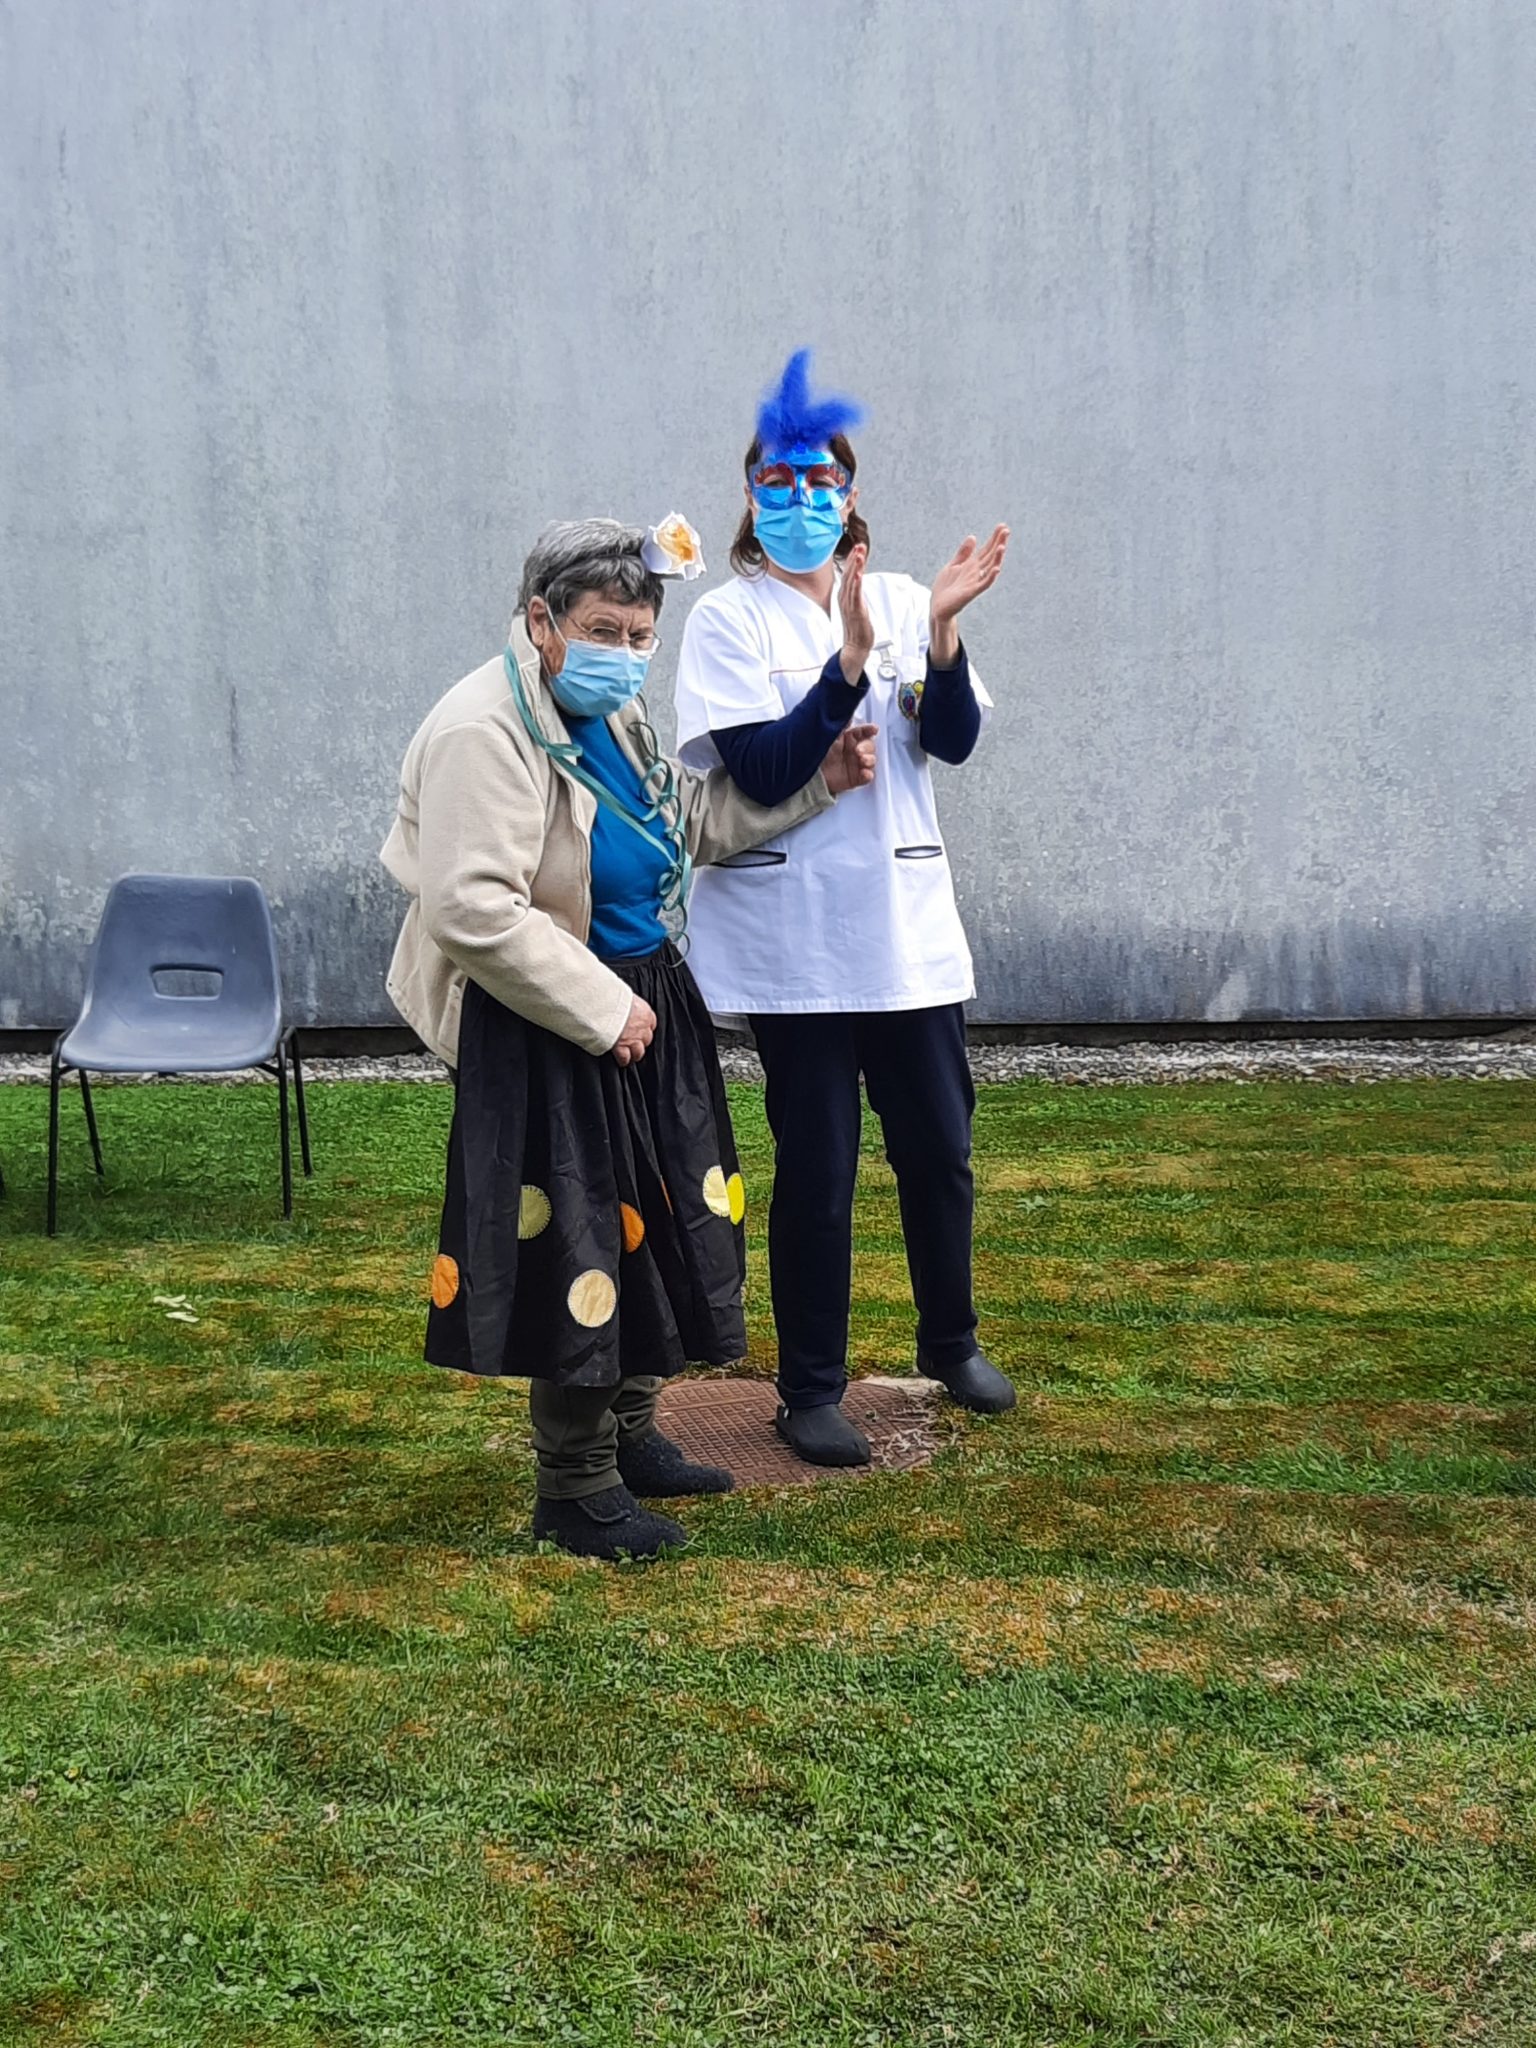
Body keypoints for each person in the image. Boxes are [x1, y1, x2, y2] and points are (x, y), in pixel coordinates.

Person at [380, 516, 876, 1556]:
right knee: (586, 1240)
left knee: (671, 1224)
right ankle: (574, 1486)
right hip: (552, 1019)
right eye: (604, 630)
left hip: (643, 998)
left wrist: (817, 780)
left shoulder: (613, 714)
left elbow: (680, 822)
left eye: (642, 634)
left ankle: (632, 1433)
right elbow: (472, 906)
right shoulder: (483, 729)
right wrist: (604, 1009)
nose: (626, 652)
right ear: (542, 620)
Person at [672, 351, 1015, 1468]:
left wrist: (942, 638)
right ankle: (810, 1387)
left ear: (850, 492)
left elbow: (950, 740)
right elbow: (764, 771)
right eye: (779, 483)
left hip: (905, 934)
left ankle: (950, 1341)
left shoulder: (909, 598)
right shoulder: (727, 621)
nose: (802, 500)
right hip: (797, 946)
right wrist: (847, 668)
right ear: (750, 496)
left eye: (821, 482)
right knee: (817, 1174)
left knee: (940, 1153)